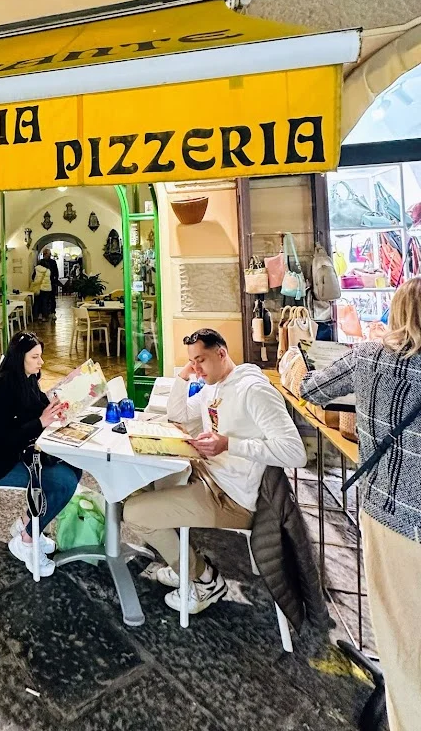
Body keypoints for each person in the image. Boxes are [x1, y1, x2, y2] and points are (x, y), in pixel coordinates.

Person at [301, 277, 421, 731]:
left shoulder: (370, 357)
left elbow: (311, 389)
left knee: (399, 629)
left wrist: (294, 357)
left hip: (388, 515)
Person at [124, 328, 306, 614]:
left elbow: (296, 452)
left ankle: (204, 579)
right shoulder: (214, 385)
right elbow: (179, 415)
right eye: (192, 361)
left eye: (202, 360)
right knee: (138, 485)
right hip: (208, 475)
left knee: (134, 514)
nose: (197, 368)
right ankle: (181, 562)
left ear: (221, 353)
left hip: (231, 496)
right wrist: (184, 376)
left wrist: (229, 445)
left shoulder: (254, 391)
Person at [0, 332, 80, 577]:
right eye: (35, 357)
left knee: (74, 467)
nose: (41, 362)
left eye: (41, 356)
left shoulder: (27, 379)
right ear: (19, 358)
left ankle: (28, 525)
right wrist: (41, 422)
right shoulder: (1, 388)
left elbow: (37, 407)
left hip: (18, 453)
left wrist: (57, 406)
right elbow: (2, 438)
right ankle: (26, 539)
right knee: (63, 483)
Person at [39, 247, 60, 318]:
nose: (49, 255)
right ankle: (45, 313)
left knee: (52, 298)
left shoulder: (53, 262)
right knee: (44, 300)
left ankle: (52, 312)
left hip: (51, 283)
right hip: (44, 283)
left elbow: (56, 272)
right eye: (49, 254)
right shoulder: (41, 262)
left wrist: (55, 281)